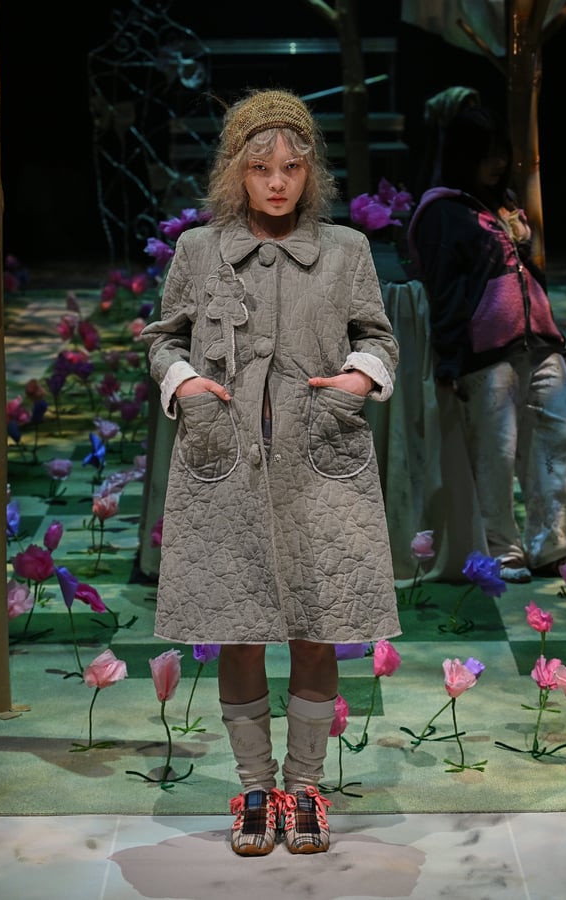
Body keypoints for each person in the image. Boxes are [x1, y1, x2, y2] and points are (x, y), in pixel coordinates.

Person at [141, 88, 400, 856]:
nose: (278, 182)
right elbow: (164, 337)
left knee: (317, 630)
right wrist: (186, 383)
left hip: (319, 464)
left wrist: (357, 379)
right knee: (241, 631)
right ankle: (256, 788)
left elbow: (379, 337)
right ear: (238, 172)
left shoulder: (345, 251)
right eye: (261, 168)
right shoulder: (200, 251)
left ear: (310, 170)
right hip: (226, 465)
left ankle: (306, 786)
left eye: (291, 167)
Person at [407, 105, 566, 584]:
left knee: (560, 438)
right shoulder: (442, 211)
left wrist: (560, 344)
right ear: (463, 155)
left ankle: (551, 545)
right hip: (487, 353)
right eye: (486, 153)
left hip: (539, 343)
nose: (498, 162)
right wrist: (450, 361)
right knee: (495, 456)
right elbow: (445, 291)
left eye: (501, 152)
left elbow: (530, 278)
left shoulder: (502, 204)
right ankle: (503, 551)